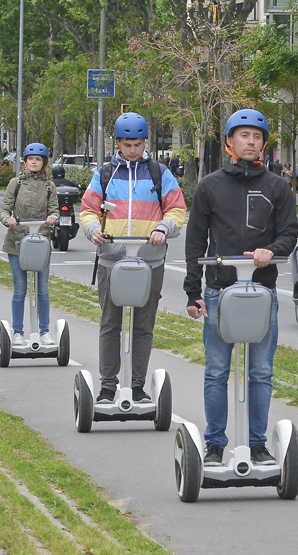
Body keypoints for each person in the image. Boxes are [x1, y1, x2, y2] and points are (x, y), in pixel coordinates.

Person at [184, 108, 298, 467]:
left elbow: (289, 234)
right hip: (220, 291)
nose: (251, 142)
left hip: (262, 293)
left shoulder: (278, 186)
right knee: (217, 370)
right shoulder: (210, 186)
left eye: (257, 137)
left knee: (261, 372)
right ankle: (215, 444)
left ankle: (258, 445)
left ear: (264, 144)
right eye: (244, 135)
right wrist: (193, 292)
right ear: (230, 141)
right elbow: (195, 241)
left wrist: (273, 251)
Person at [80, 113, 187, 403]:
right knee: (110, 323)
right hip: (111, 260)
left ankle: (137, 386)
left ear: (145, 143)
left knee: (143, 325)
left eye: (138, 144)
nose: (133, 150)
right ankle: (107, 387)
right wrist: (92, 230)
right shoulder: (104, 173)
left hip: (149, 260)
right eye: (127, 145)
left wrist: (163, 229)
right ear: (117, 143)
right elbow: (88, 209)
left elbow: (177, 210)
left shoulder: (159, 172)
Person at [0, 143, 59, 346]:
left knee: (42, 289)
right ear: (25, 161)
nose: (34, 162)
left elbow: (55, 211)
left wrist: (52, 217)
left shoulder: (50, 186)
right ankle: (17, 332)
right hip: (17, 241)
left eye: (38, 159)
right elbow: (5, 209)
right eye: (31, 158)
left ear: (44, 163)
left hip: (40, 242)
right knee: (20, 289)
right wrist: (8, 220)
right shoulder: (15, 183)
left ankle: (44, 332)